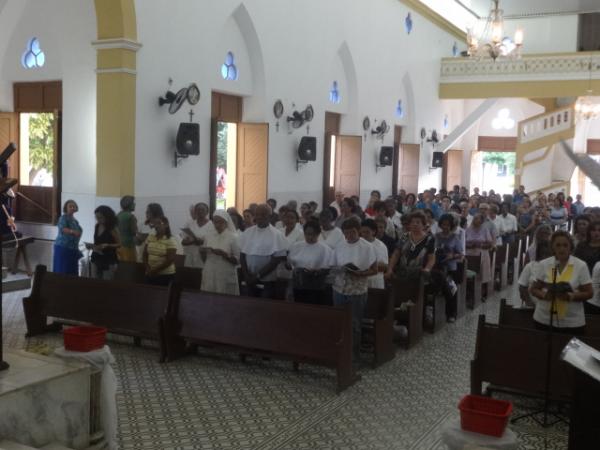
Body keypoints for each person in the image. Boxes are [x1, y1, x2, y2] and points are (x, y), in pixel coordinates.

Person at [332, 217, 377, 361]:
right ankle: (341, 352)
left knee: (355, 323)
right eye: (346, 233)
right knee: (339, 321)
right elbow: (333, 266)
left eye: (352, 232)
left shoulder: (367, 247)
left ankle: (353, 356)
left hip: (357, 290)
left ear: (358, 231)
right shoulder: (339, 245)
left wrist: (360, 273)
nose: (349, 236)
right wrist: (338, 270)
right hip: (339, 288)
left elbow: (374, 270)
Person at [530, 231, 592, 334]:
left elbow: (589, 293)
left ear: (571, 247)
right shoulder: (544, 264)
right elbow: (533, 289)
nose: (561, 248)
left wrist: (571, 296)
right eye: (558, 245)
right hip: (544, 318)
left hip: (572, 321)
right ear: (552, 247)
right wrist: (545, 295)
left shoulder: (581, 265)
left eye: (565, 245)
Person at [239, 204, 288, 299]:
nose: (259, 217)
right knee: (249, 308)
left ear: (270, 216)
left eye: (263, 214)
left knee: (264, 309)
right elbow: (242, 254)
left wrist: (257, 276)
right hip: (249, 278)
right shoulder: (248, 232)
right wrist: (246, 275)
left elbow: (275, 260)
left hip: (267, 281)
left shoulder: (277, 234)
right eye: (257, 214)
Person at [287, 220, 333, 305]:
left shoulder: (325, 249)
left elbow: (329, 268)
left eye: (313, 234)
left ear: (318, 234)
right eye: (307, 234)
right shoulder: (296, 246)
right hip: (299, 284)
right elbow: (290, 264)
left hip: (316, 285)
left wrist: (316, 271)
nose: (310, 237)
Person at [385, 211, 435, 282]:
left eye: (418, 222)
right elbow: (396, 255)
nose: (415, 224)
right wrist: (390, 269)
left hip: (420, 276)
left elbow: (432, 259)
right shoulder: (404, 237)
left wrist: (427, 269)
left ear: (423, 225)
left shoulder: (429, 239)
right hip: (402, 273)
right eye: (412, 222)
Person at [200, 210, 240, 295]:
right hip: (210, 272)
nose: (217, 225)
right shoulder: (208, 236)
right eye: (215, 222)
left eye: (220, 222)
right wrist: (202, 251)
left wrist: (224, 255)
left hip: (225, 274)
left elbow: (238, 261)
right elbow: (204, 259)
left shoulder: (233, 237)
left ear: (226, 222)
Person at [434, 213, 465, 322]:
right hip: (438, 267)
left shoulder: (455, 237)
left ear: (451, 225)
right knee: (438, 289)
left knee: (451, 291)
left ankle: (452, 313)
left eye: (447, 225)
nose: (445, 226)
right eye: (443, 224)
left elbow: (461, 254)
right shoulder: (436, 236)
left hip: (451, 268)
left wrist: (452, 255)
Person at [276, 209, 304, 299]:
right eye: (287, 217)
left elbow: (300, 250)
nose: (289, 220)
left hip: (293, 267)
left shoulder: (301, 233)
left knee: (289, 295)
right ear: (283, 219)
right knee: (278, 294)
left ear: (297, 220)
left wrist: (286, 253)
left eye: (292, 218)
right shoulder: (278, 232)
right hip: (278, 265)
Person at [143, 216, 177, 286]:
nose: (156, 226)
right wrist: (147, 268)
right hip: (149, 272)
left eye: (159, 223)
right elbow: (144, 254)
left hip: (165, 275)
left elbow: (170, 260)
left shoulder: (170, 239)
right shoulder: (150, 237)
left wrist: (155, 270)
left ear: (166, 225)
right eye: (155, 223)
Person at [53, 199, 83, 275]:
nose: (72, 208)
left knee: (71, 270)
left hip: (72, 248)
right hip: (63, 247)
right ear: (66, 208)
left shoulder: (75, 220)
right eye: (70, 206)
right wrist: (72, 232)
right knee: (63, 269)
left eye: (74, 206)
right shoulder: (63, 218)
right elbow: (63, 229)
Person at [90, 205, 120, 280]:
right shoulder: (97, 226)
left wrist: (108, 245)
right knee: (94, 280)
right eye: (96, 217)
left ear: (107, 216)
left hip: (108, 259)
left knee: (106, 283)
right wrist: (92, 246)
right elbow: (97, 242)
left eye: (100, 217)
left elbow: (120, 244)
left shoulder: (112, 228)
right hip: (96, 257)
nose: (98, 220)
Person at [181, 202, 215, 268]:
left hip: (204, 257)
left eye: (202, 209)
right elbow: (183, 242)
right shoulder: (189, 224)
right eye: (198, 210)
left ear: (207, 212)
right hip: (189, 256)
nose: (200, 211)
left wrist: (202, 242)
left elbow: (213, 242)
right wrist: (192, 241)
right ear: (195, 211)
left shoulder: (212, 225)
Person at [465, 213, 494, 287]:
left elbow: (490, 244)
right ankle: (469, 287)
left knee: (482, 274)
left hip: (482, 253)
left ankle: (481, 289)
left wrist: (481, 245)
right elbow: (463, 243)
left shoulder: (485, 230)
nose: (475, 220)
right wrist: (470, 245)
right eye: (474, 218)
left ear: (481, 221)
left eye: (477, 218)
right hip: (469, 254)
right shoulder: (468, 229)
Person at [360, 219, 388, 289]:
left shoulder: (381, 246)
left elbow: (384, 266)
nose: (364, 235)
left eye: (367, 232)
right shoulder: (357, 244)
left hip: (375, 283)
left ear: (374, 231)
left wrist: (366, 265)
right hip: (360, 283)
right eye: (362, 232)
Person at [116, 195, 138, 262]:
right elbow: (134, 232)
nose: (135, 204)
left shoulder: (118, 215)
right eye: (133, 202)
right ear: (129, 204)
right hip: (129, 246)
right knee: (130, 268)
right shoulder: (131, 217)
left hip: (119, 246)